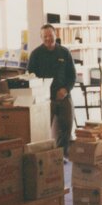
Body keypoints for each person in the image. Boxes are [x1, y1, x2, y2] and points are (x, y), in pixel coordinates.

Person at [27, 23, 76, 156]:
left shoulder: (64, 52)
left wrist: (66, 90)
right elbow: (30, 77)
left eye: (50, 35)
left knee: (67, 128)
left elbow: (72, 76)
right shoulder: (35, 54)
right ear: (41, 38)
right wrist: (41, 93)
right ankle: (43, 156)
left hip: (63, 95)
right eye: (45, 36)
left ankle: (60, 155)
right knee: (41, 130)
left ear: (55, 35)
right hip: (44, 99)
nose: (48, 38)